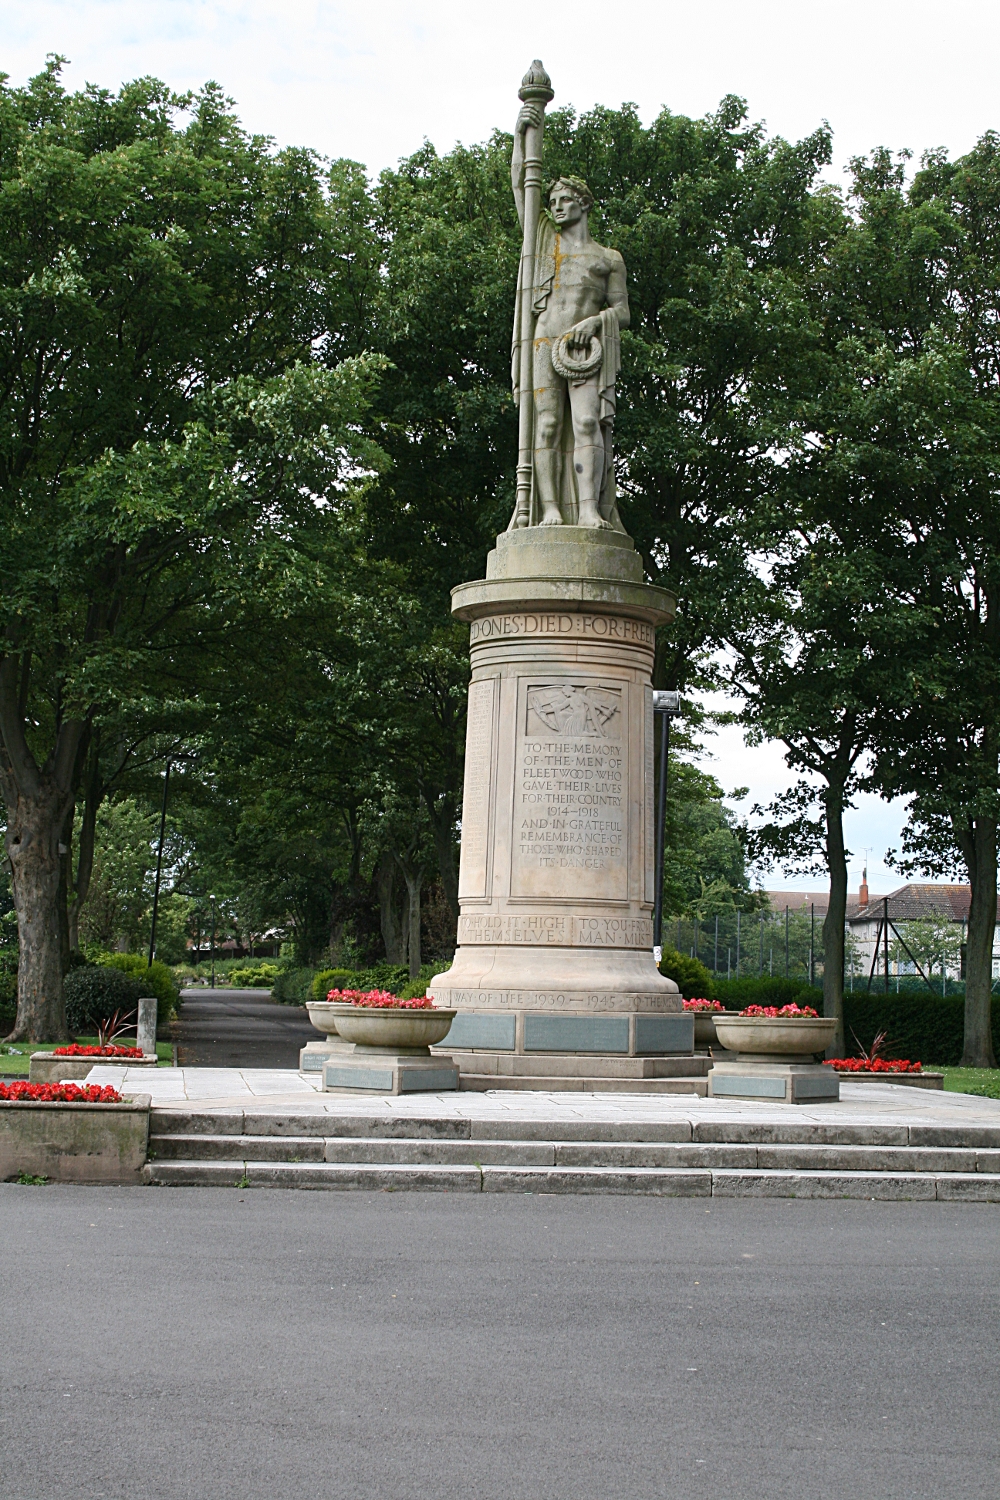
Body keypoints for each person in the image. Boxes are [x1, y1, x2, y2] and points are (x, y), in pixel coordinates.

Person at [511, 102, 630, 529]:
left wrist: (595, 322)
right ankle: (550, 510)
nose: (557, 207)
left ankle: (588, 509)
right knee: (546, 425)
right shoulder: (543, 239)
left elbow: (622, 311)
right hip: (545, 340)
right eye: (553, 202)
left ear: (584, 204)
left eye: (565, 200)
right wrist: (520, 137)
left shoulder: (607, 257)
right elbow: (522, 186)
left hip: (585, 348)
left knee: (586, 422)